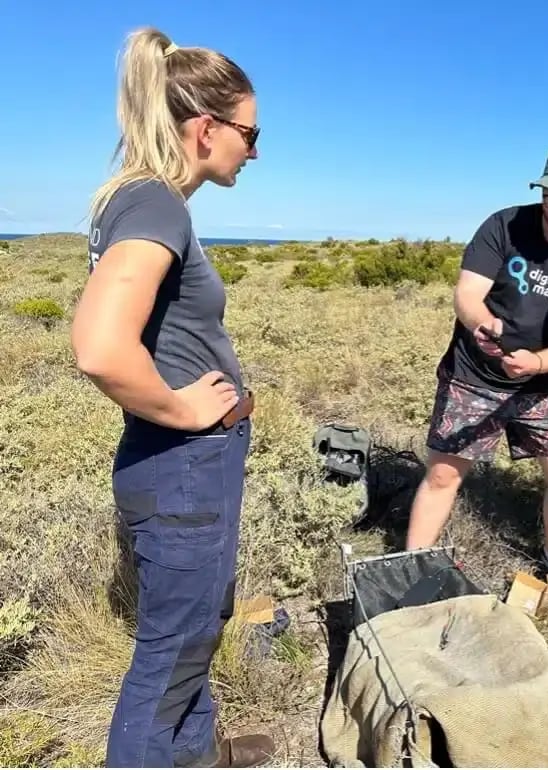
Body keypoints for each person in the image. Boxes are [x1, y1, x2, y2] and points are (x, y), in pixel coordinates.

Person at [70, 27, 274, 768]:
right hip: (180, 461)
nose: (254, 152)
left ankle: (194, 753)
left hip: (185, 463)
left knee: (196, 629)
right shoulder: (154, 203)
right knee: (168, 652)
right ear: (206, 128)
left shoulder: (143, 199)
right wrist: (186, 410)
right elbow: (98, 345)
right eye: (250, 135)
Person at [405, 141, 548, 577]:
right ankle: (412, 566)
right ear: (542, 190)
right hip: (474, 375)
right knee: (444, 475)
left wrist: (538, 364)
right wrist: (481, 323)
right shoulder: (504, 225)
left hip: (544, 385)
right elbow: (467, 294)